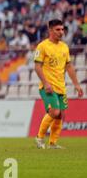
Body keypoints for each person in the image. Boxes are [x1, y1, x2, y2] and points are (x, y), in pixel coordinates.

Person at [34, 19, 84, 149]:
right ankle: (39, 138)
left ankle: (52, 143)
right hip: (48, 87)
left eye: (62, 29)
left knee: (61, 115)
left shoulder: (64, 47)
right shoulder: (42, 46)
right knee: (55, 112)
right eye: (58, 30)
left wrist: (77, 84)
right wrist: (45, 83)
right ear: (50, 30)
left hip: (61, 86)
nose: (61, 32)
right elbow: (37, 67)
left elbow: (69, 67)